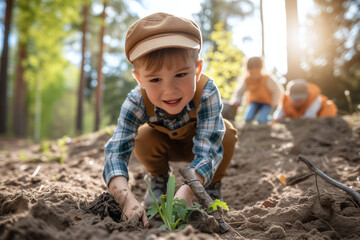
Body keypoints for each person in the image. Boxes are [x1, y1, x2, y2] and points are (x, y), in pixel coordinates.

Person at [103, 12, 238, 228]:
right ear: (140, 80)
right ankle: (158, 180)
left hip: (199, 147)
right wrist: (126, 199)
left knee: (226, 134)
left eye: (181, 75)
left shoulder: (207, 92)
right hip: (164, 146)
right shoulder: (136, 101)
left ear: (197, 70)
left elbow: (208, 150)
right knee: (143, 136)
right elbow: (116, 152)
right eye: (155, 79)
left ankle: (211, 185)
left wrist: (188, 190)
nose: (170, 89)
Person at [232, 57, 284, 124]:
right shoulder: (247, 79)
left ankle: (269, 119)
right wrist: (238, 100)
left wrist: (275, 102)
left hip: (266, 102)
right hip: (254, 102)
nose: (254, 74)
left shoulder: (267, 78)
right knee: (248, 119)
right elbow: (239, 92)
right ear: (248, 70)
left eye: (256, 71)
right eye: (252, 72)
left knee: (261, 120)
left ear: (261, 69)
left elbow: (277, 90)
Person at [273, 79, 337, 121]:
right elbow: (278, 116)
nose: (298, 102)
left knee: (329, 110)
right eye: (295, 100)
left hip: (320, 113)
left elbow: (309, 116)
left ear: (307, 96)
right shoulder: (285, 101)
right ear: (290, 97)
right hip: (300, 116)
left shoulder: (314, 100)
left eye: (300, 100)